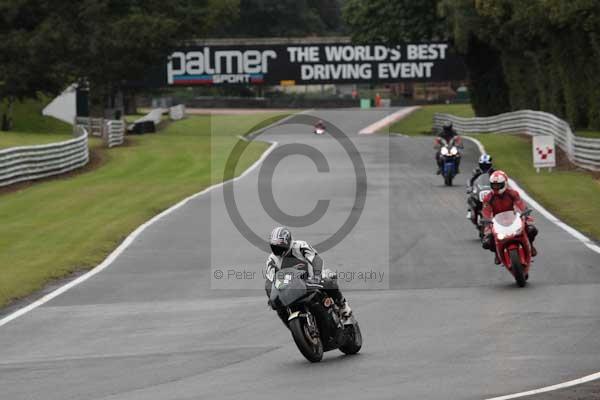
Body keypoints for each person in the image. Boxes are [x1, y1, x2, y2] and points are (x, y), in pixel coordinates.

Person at [265, 227, 352, 322]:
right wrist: (271, 297)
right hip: (291, 288)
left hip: (311, 279)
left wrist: (317, 277)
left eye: (280, 247)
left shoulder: (300, 246)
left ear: (289, 242)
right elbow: (269, 281)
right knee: (279, 308)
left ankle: (342, 305)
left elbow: (316, 259)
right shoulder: (272, 260)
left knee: (328, 280)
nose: (277, 250)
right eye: (274, 247)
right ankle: (295, 328)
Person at [481, 171, 538, 264]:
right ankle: (496, 252)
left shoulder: (513, 193)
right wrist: (487, 221)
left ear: (505, 183)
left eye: (498, 185)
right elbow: (486, 211)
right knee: (487, 242)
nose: (496, 188)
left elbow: (520, 204)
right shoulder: (487, 198)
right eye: (494, 185)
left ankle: (530, 246)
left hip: (513, 219)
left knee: (532, 230)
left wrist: (524, 213)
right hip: (497, 223)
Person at [466, 154, 495, 223]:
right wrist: (470, 187)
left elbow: (499, 180)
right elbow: (471, 180)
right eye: (483, 165)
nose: (484, 167)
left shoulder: (493, 172)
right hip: (480, 189)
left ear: (490, 165)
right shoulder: (476, 171)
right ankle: (470, 211)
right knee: (470, 197)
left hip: (490, 190)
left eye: (486, 165)